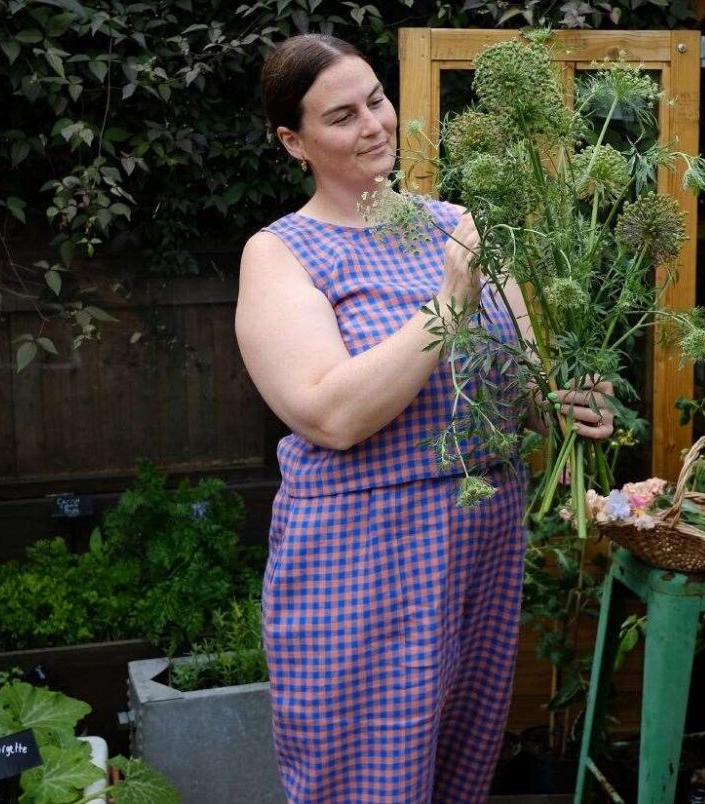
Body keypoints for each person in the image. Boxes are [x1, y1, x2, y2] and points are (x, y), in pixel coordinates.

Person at [236, 33, 613, 803]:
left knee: (460, 774)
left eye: (376, 100)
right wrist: (448, 297)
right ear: (292, 141)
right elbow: (330, 415)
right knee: (364, 784)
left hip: (484, 536)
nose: (374, 125)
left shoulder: (463, 225)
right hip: (364, 549)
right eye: (341, 116)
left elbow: (525, 394)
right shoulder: (282, 254)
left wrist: (570, 407)